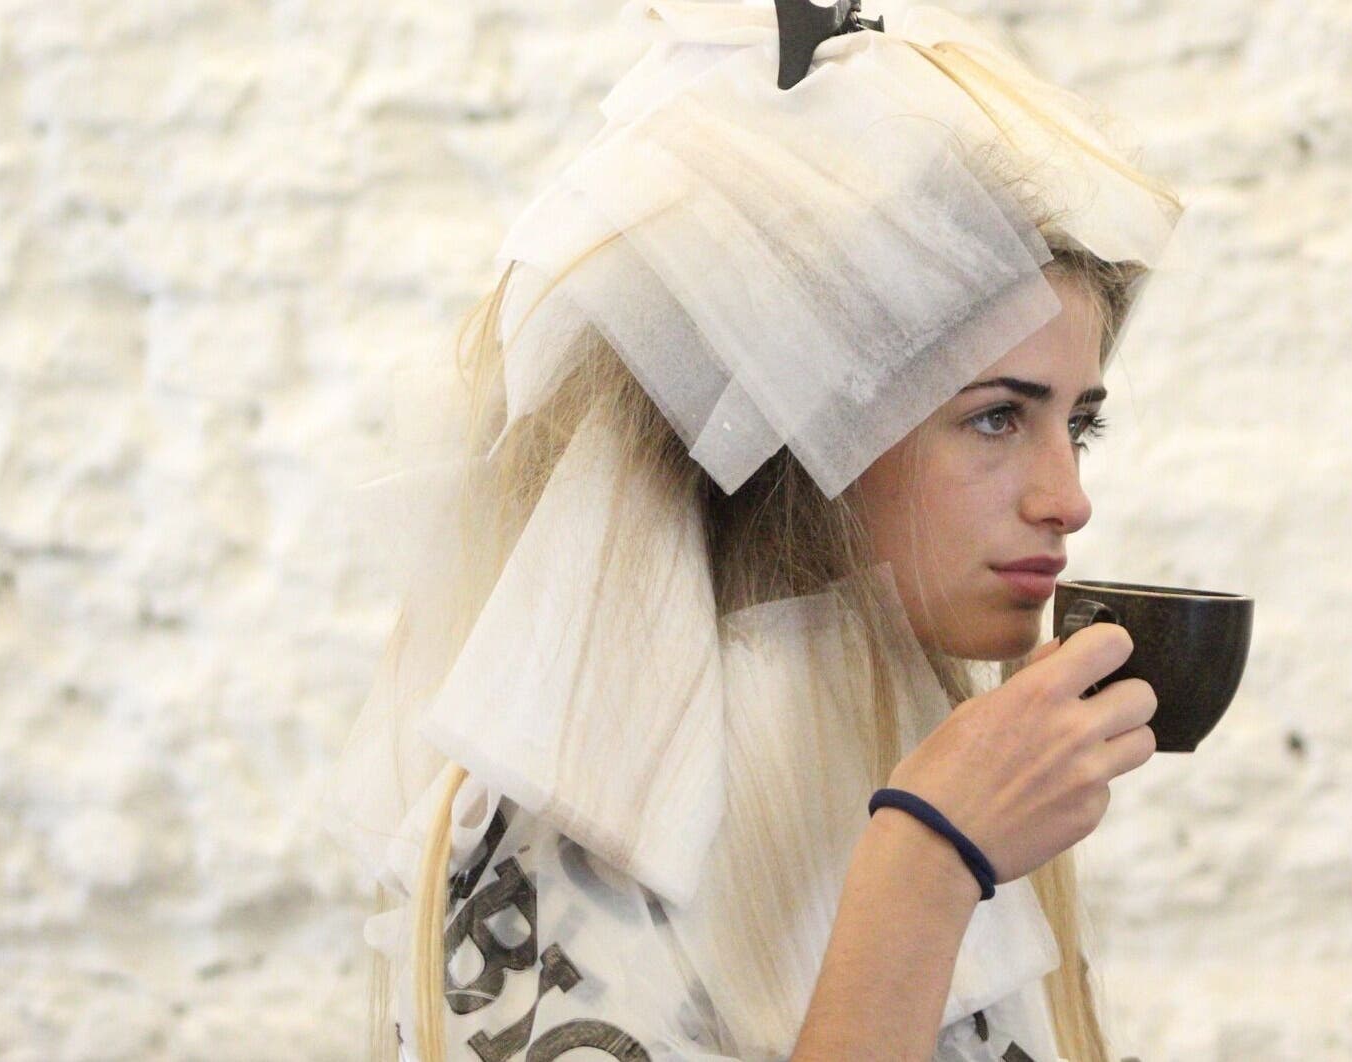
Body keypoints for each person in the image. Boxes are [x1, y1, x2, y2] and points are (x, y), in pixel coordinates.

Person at [327, 1, 1188, 1059]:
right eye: (997, 417)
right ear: (805, 430)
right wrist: (923, 867)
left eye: (1079, 426)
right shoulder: (587, 821)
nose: (1068, 499)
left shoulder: (920, 747)